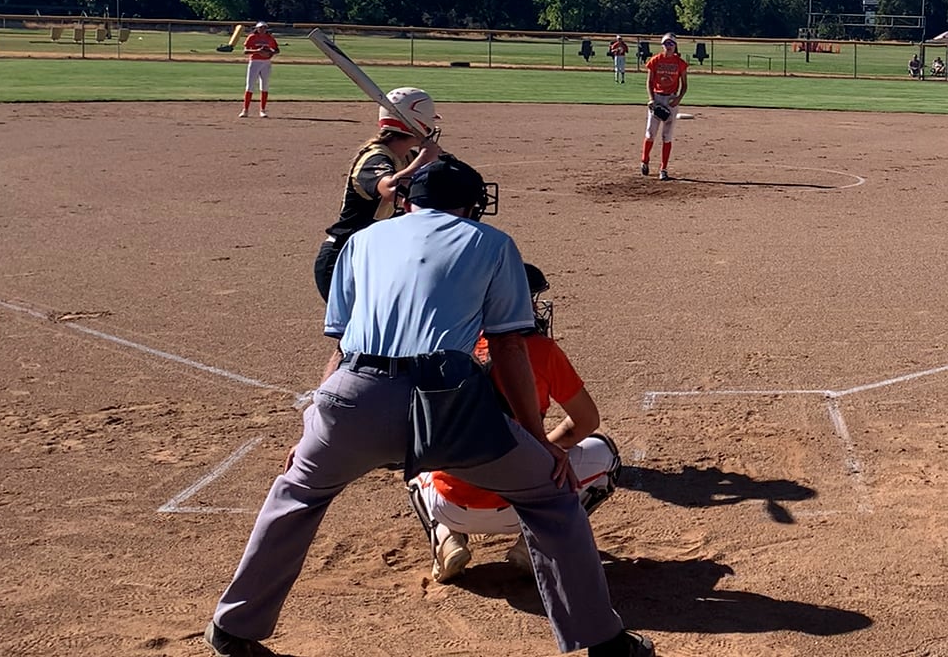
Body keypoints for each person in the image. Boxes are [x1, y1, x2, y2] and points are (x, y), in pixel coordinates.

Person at [207, 158, 654, 657]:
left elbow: (340, 347)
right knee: (550, 494)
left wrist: (311, 428)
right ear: (471, 205)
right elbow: (508, 347)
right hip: (446, 402)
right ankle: (604, 644)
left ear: (408, 200)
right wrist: (534, 438)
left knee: (296, 494)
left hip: (352, 394)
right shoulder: (491, 243)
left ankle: (233, 627)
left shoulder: (362, 241)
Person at [408, 263, 622, 581]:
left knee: (416, 456)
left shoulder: (445, 346)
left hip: (450, 504)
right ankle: (537, 540)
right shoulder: (543, 351)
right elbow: (586, 421)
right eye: (529, 299)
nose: (534, 307)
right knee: (607, 454)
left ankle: (445, 537)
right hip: (523, 505)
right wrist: (544, 448)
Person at [312, 87, 442, 301]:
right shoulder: (374, 158)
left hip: (375, 255)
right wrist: (424, 160)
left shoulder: (407, 157)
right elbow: (391, 189)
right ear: (420, 122)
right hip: (345, 258)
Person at [640, 33, 689, 180]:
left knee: (667, 136)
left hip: (671, 99)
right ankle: (644, 160)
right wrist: (651, 99)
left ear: (675, 46)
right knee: (650, 133)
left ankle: (663, 169)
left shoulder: (680, 63)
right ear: (662, 45)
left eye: (671, 43)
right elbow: (649, 82)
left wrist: (678, 99)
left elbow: (684, 85)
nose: (668, 46)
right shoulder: (655, 60)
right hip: (657, 98)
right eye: (666, 43)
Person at [239, 22, 279, 118]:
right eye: (261, 28)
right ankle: (245, 110)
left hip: (266, 62)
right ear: (257, 28)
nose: (263, 29)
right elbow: (245, 51)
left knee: (265, 86)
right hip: (255, 62)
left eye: (264, 28)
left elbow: (277, 50)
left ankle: (262, 110)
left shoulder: (269, 38)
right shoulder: (252, 37)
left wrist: (270, 53)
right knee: (250, 86)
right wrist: (257, 51)